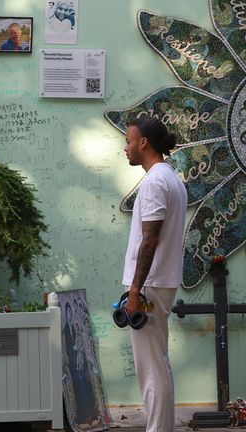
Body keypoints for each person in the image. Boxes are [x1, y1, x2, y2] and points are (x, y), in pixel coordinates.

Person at [122, 117, 187, 432]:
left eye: (128, 141)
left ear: (143, 143)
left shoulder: (154, 182)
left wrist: (135, 290)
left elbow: (150, 240)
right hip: (158, 283)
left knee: (151, 368)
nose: (126, 148)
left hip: (149, 286)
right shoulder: (170, 179)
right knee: (157, 364)